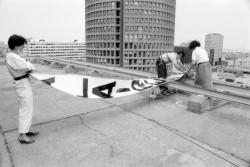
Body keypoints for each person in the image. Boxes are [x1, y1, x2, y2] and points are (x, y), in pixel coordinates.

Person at [6, 34, 39, 144]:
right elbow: (30, 67)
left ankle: (26, 130)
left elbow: (27, 67)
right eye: (21, 46)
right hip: (22, 83)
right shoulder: (13, 56)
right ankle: (22, 135)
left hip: (23, 81)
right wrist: (29, 66)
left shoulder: (13, 56)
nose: (23, 48)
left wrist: (28, 67)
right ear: (16, 46)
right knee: (25, 108)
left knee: (28, 107)